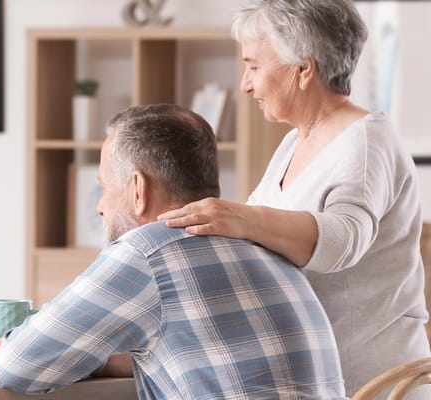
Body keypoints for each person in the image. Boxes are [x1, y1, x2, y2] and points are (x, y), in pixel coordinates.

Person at [157, 0, 431, 395]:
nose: (245, 84)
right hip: (313, 379)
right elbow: (255, 242)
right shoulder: (294, 142)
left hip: (371, 385)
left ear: (303, 70)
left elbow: (342, 240)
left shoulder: (367, 141)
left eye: (253, 66)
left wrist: (242, 218)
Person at [0, 104, 345, 399]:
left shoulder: (147, 253)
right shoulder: (266, 245)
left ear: (138, 189)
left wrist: (12, 349)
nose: (100, 208)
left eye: (105, 188)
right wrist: (109, 360)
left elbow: (17, 367)